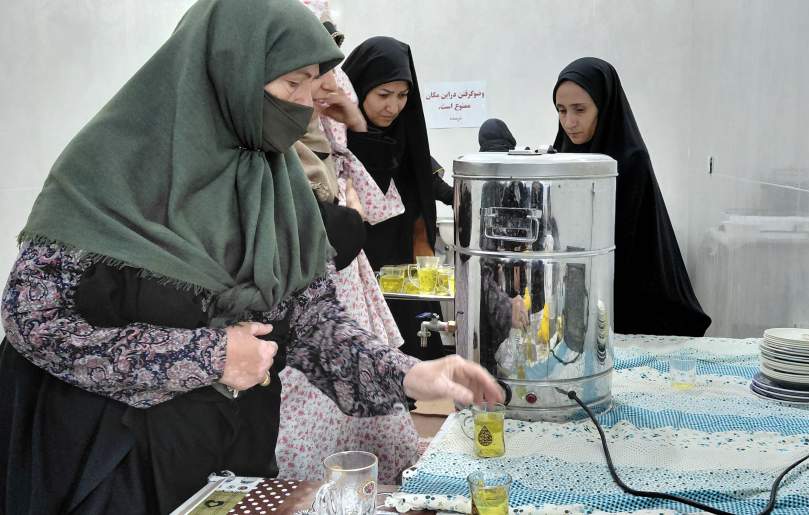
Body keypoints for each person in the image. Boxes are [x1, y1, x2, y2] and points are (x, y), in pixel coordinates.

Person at [0, 2, 502, 513]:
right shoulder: (110, 168)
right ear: (231, 70)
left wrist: (408, 374)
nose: (305, 105)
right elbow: (33, 320)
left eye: (314, 84)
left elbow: (309, 322)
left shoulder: (272, 177)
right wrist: (208, 355)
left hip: (228, 453)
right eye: (292, 85)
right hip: (108, 462)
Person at [277, 2, 417, 483]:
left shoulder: (333, 102)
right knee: (309, 402)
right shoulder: (261, 133)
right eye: (295, 77)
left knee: (361, 399)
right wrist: (347, 221)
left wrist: (354, 122)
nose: (314, 85)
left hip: (345, 284)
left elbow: (369, 203)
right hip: (302, 283)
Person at [552, 57, 710, 336]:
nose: (569, 122)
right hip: (582, 290)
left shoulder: (631, 159)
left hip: (635, 298)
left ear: (605, 106)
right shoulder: (563, 156)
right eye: (561, 110)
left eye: (580, 109)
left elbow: (625, 243)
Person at [342, 36, 452, 359]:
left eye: (403, 95)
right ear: (360, 87)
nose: (393, 107)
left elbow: (427, 181)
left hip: (403, 273)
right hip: (355, 270)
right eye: (383, 95)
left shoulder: (406, 136)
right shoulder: (336, 140)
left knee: (415, 356)